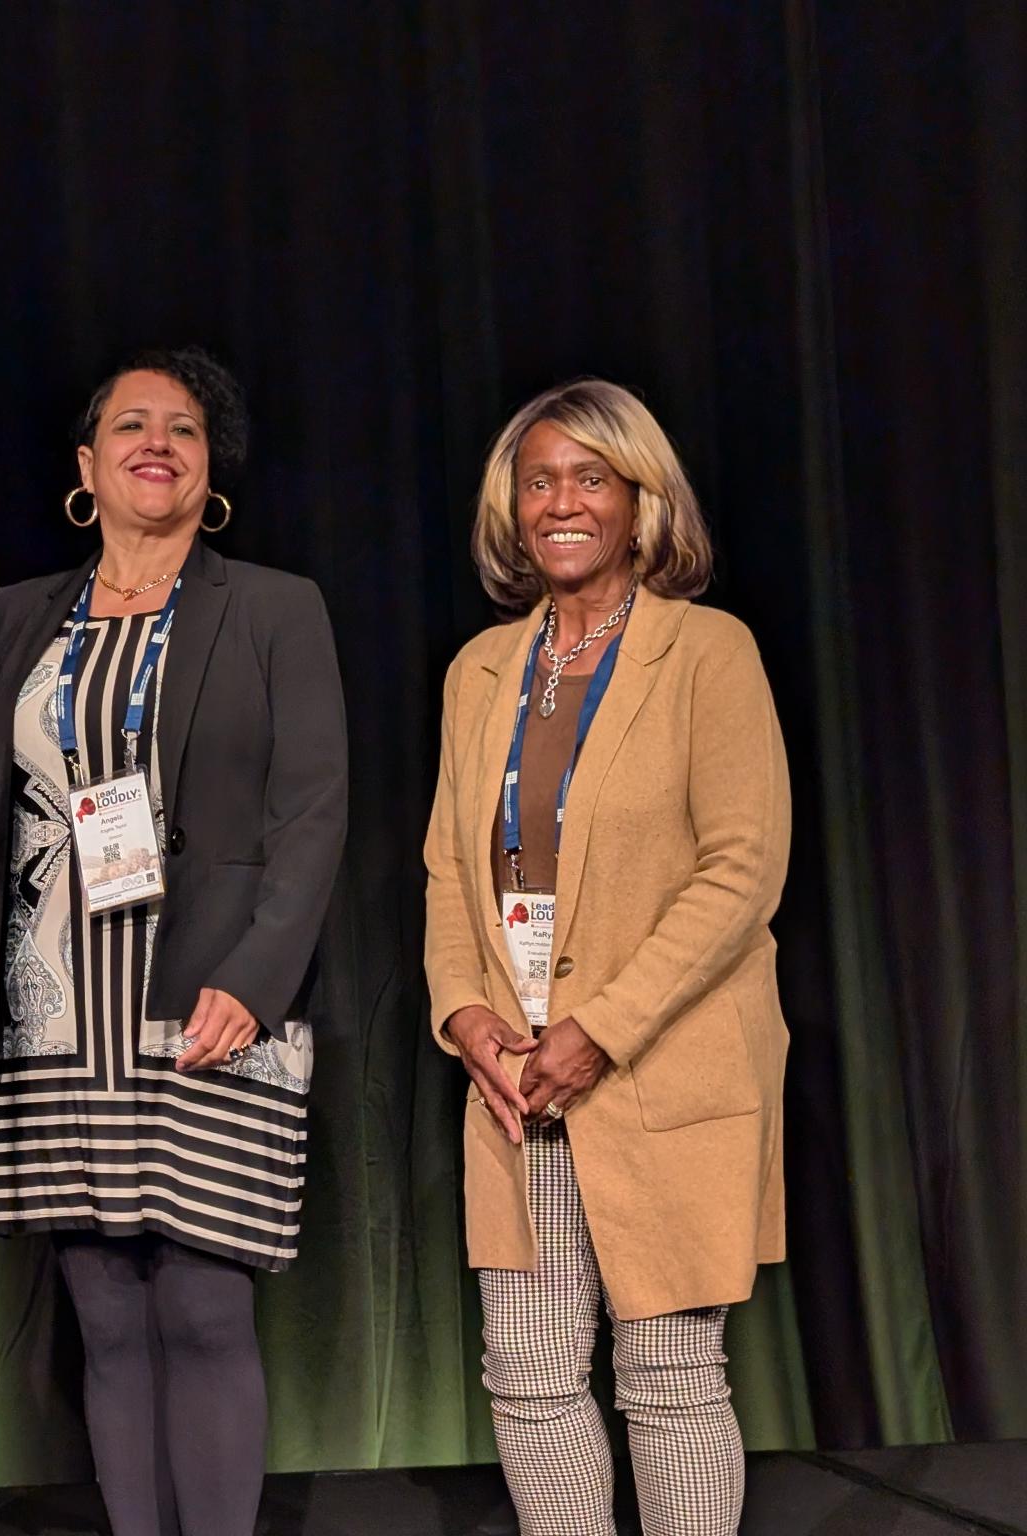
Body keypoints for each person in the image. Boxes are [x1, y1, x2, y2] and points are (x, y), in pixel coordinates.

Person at [0, 347, 348, 1536]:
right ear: (86, 465)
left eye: (182, 428)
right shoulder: (13, 616)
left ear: (208, 467)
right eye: (130, 425)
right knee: (110, 1321)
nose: (156, 443)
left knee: (200, 1310)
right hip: (57, 1009)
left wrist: (257, 974)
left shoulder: (276, 607)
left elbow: (312, 808)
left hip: (205, 1005)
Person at [422, 378, 791, 1535]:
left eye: (592, 478)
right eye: (540, 481)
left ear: (641, 501)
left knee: (671, 1380)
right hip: (518, 1076)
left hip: (659, 1066)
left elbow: (741, 869)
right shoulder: (480, 669)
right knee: (528, 1379)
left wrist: (604, 1030)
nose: (563, 503)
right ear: (512, 507)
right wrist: (465, 1017)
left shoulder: (707, 652)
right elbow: (446, 870)